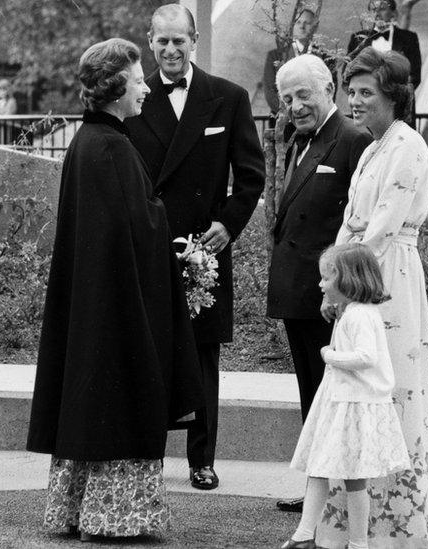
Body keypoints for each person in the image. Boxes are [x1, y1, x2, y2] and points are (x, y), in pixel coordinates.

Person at [26, 38, 204, 541]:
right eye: (137, 79)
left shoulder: (89, 144)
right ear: (115, 87)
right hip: (118, 308)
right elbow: (140, 230)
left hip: (95, 302)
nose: (145, 87)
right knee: (121, 401)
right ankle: (115, 517)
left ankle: (78, 511)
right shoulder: (113, 149)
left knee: (93, 401)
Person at [124, 3, 266, 492]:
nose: (169, 50)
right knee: (150, 348)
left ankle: (201, 459)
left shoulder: (227, 98)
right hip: (151, 243)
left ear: (194, 40)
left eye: (178, 41)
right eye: (161, 41)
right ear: (149, 41)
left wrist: (228, 225)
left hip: (205, 247)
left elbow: (250, 176)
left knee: (203, 354)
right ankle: (146, 457)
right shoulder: (132, 99)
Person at [324, 46, 428, 545]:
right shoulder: (371, 148)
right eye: (352, 91)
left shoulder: (407, 147)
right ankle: (352, 524)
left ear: (394, 97)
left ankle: (393, 531)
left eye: (366, 92)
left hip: (388, 281)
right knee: (357, 397)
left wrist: (344, 286)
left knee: (388, 393)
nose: (355, 101)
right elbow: (352, 221)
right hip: (359, 278)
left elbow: (383, 229)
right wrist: (333, 281)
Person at [267, 53, 373, 513]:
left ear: (329, 88)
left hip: (327, 293)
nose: (294, 106)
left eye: (303, 94)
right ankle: (319, 490)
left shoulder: (352, 140)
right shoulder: (299, 140)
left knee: (329, 396)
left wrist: (341, 293)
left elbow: (360, 226)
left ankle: (328, 495)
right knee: (312, 393)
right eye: (287, 98)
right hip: (299, 290)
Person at [280, 243, 411, 549]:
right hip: (341, 400)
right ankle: (306, 535)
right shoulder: (351, 312)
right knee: (321, 466)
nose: (320, 284)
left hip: (353, 405)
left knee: (350, 477)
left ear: (345, 279)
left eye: (326, 278)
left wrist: (329, 354)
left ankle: (354, 542)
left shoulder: (359, 316)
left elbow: (366, 357)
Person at [346, 1, 421, 93]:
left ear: (394, 13)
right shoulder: (358, 39)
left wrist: (395, 96)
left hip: (399, 101)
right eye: (374, 10)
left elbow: (415, 76)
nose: (377, 14)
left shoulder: (409, 38)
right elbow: (347, 74)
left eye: (382, 9)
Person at [263, 8, 320, 114]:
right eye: (298, 22)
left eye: (307, 23)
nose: (301, 27)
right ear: (292, 25)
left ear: (315, 27)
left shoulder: (324, 57)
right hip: (284, 118)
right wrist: (289, 112)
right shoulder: (276, 56)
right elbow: (270, 91)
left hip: (315, 117)